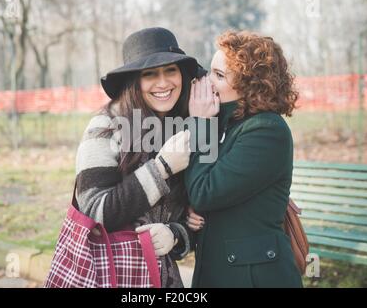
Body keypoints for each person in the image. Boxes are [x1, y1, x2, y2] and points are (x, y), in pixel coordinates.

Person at [75, 27, 203, 288]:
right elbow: (95, 213)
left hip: (162, 278)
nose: (163, 82)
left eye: (171, 70)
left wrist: (175, 235)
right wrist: (162, 168)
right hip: (110, 275)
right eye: (150, 74)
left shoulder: (183, 131)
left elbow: (188, 218)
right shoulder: (106, 126)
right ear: (134, 81)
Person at [185, 30, 303, 288]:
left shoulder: (266, 130)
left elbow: (204, 192)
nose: (207, 82)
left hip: (253, 277)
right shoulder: (228, 123)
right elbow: (201, 184)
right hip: (221, 270)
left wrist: (201, 124)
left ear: (249, 85)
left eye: (219, 76)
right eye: (209, 72)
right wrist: (188, 210)